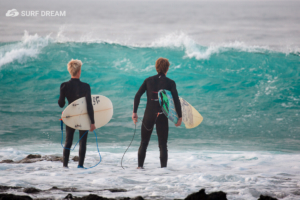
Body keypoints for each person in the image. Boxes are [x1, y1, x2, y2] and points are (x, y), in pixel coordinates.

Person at [132, 57, 182, 169]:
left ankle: (140, 167)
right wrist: (179, 116)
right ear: (167, 68)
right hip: (162, 116)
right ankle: (163, 170)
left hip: (149, 115)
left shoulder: (148, 80)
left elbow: (137, 95)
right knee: (163, 144)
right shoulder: (170, 83)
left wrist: (134, 112)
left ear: (156, 68)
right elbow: (176, 100)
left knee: (144, 143)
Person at [58, 59, 96, 168]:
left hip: (70, 116)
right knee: (82, 142)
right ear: (79, 71)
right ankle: (80, 166)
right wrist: (92, 122)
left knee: (68, 141)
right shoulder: (86, 86)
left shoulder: (64, 86)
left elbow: (61, 104)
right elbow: (89, 105)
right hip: (82, 116)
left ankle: (65, 166)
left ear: (70, 71)